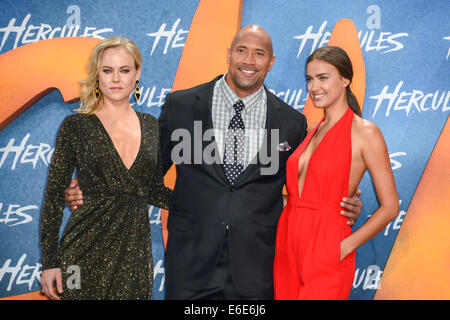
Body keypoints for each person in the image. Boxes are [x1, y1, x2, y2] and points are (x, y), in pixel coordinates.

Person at [65, 26, 363, 300]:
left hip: (258, 268)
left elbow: (304, 187)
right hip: (191, 263)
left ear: (271, 62)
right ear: (229, 54)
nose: (249, 60)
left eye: (259, 53)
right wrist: (94, 187)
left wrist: (345, 201)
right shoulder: (181, 106)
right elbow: (146, 173)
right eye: (241, 50)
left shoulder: (291, 123)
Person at [40, 36, 171, 300]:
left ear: (137, 73)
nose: (115, 79)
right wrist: (49, 262)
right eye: (107, 70)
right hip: (81, 251)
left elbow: (154, 191)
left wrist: (208, 202)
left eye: (124, 70)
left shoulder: (152, 127)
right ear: (97, 75)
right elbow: (54, 196)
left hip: (134, 256)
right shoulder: (76, 126)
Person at [273, 46, 399, 300]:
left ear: (345, 79)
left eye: (323, 78)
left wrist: (343, 247)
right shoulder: (311, 130)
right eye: (310, 79)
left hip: (327, 243)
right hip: (288, 241)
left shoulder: (365, 133)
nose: (313, 87)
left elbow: (391, 207)